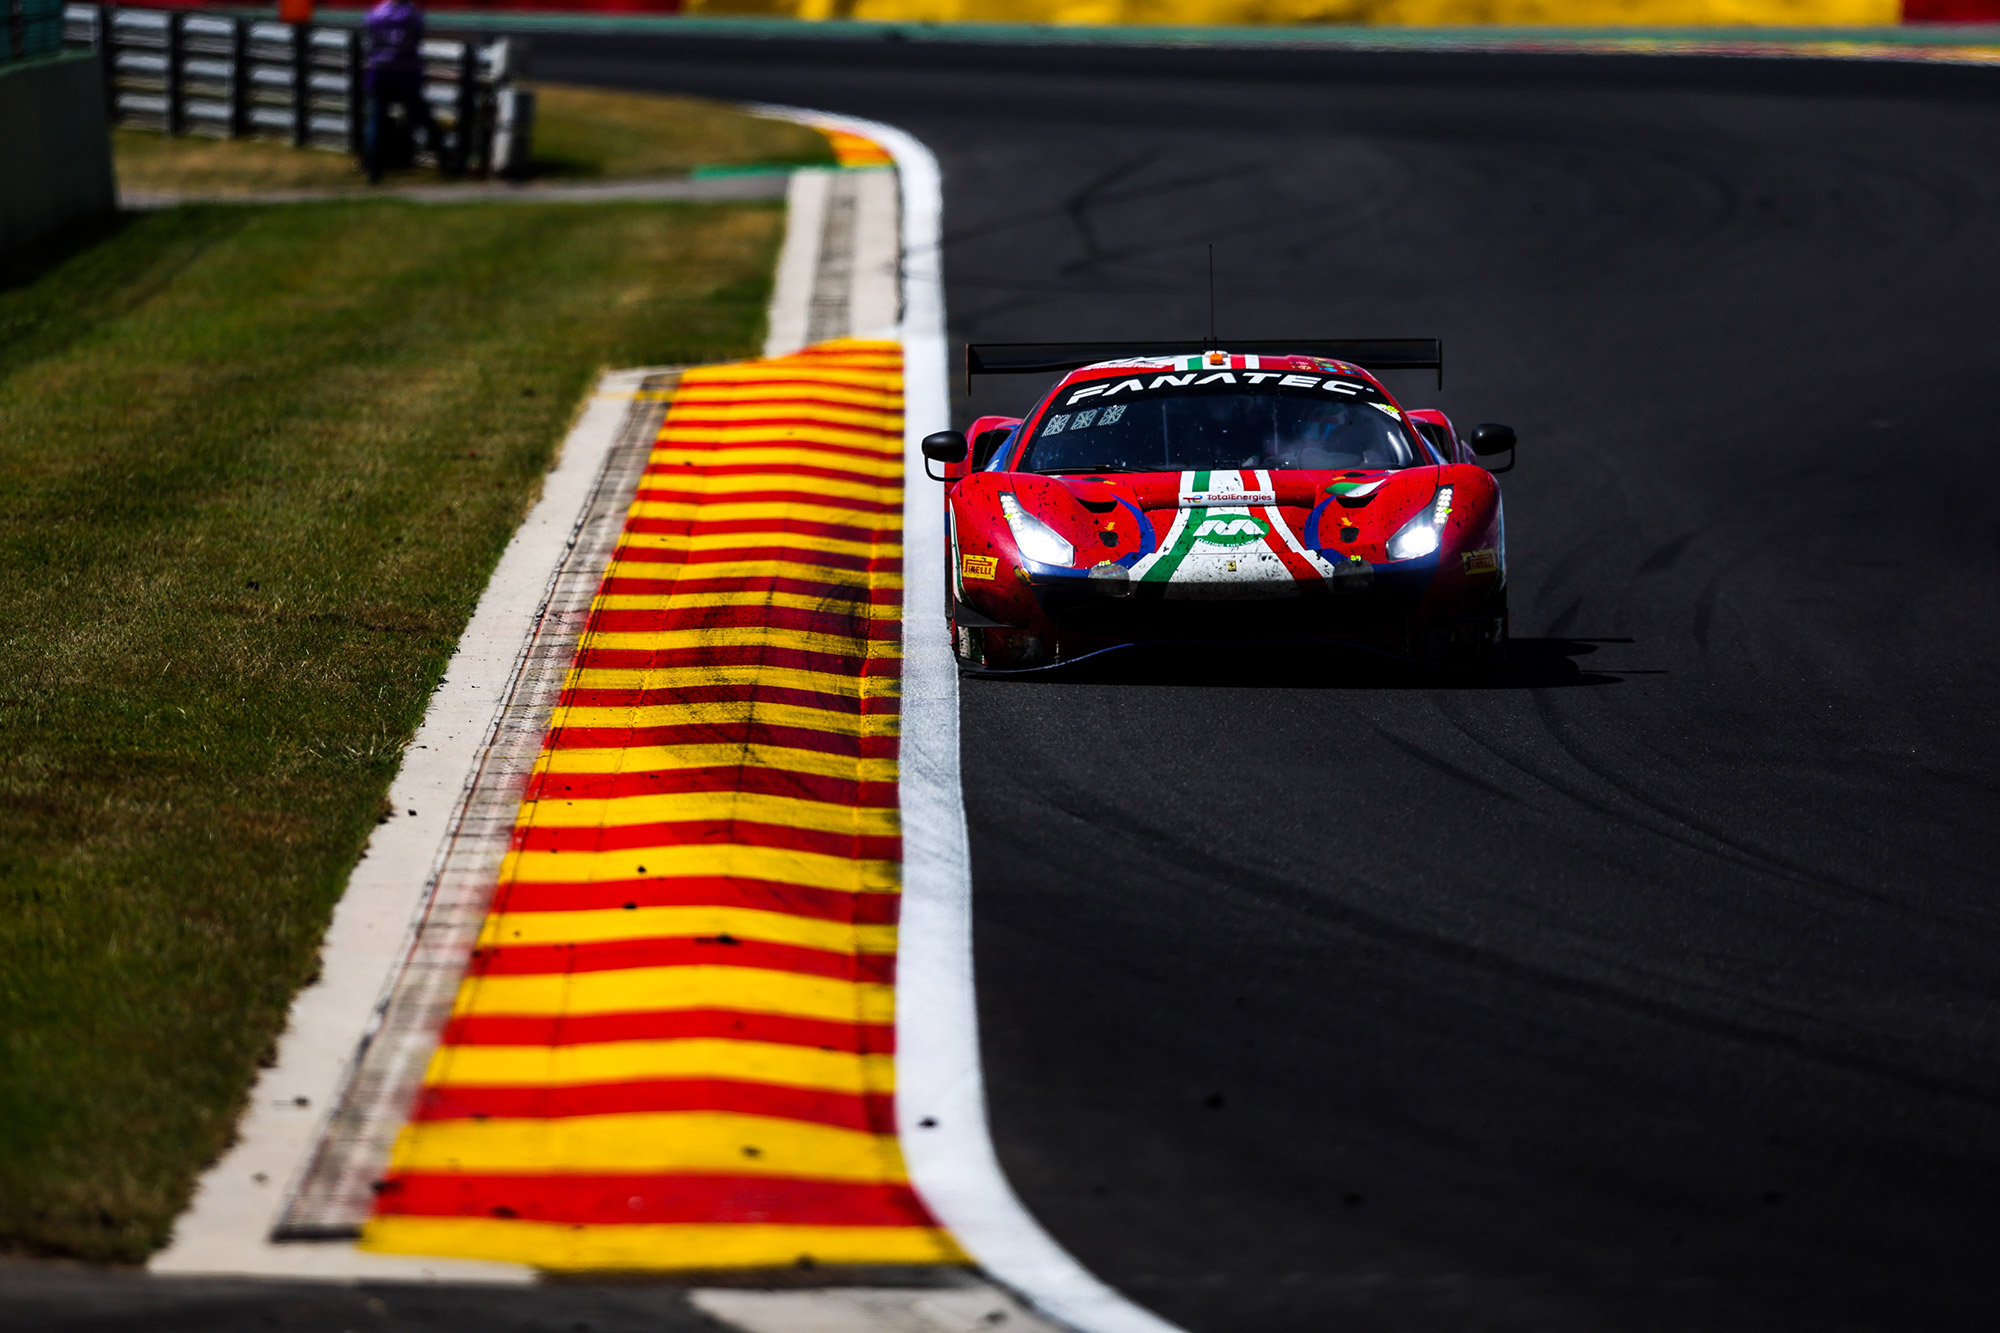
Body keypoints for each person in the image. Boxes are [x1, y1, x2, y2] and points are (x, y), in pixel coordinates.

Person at [361, 0, 447, 183]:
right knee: (423, 117)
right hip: (406, 73)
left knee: (376, 122)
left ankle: (373, 169)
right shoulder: (411, 15)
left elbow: (369, 36)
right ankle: (445, 159)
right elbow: (419, 35)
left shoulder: (376, 14)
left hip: (379, 72)